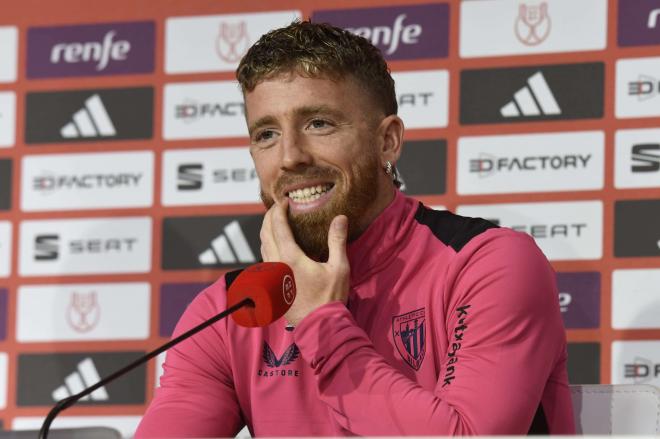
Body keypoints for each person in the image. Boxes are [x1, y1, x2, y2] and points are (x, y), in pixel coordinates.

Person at [136, 20, 574, 437]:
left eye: (318, 123)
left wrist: (319, 322)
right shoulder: (229, 310)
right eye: (266, 133)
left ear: (388, 141)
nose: (290, 157)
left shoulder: (489, 264)